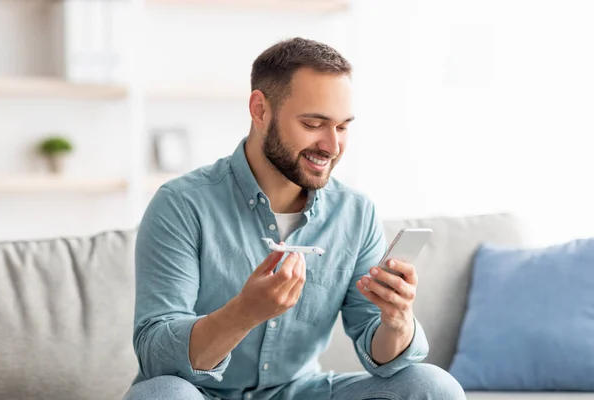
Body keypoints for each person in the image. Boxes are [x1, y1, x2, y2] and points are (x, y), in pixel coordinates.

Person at [124, 37, 465, 400]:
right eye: (314, 123)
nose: (332, 147)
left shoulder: (354, 213)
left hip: (302, 392)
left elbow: (380, 354)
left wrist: (396, 320)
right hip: (202, 393)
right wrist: (242, 313)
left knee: (432, 387)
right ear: (260, 110)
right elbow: (157, 356)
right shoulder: (181, 204)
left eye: (343, 126)